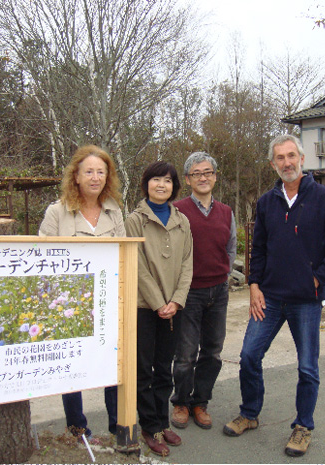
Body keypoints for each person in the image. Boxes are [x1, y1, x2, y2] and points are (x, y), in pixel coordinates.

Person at [223, 135, 325, 457]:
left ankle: (303, 426)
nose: (287, 162)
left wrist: (317, 278)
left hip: (306, 300)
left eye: (291, 155)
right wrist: (254, 285)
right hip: (269, 297)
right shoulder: (267, 202)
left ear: (302, 159)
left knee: (307, 366)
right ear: (273, 164)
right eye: (280, 158)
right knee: (249, 356)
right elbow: (259, 248)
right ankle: (249, 413)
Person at [39, 144, 124, 439]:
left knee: (112, 362)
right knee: (71, 366)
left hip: (107, 301)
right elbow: (42, 259)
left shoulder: (114, 212)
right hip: (68, 304)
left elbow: (124, 256)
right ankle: (77, 429)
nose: (95, 177)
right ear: (75, 176)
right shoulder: (57, 212)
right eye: (89, 171)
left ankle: (117, 426)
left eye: (101, 172)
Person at [125, 161, 193, 457]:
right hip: (144, 307)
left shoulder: (182, 220)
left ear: (174, 186)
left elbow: (188, 263)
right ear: (146, 184)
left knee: (165, 368)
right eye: (156, 179)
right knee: (144, 370)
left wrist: (176, 301)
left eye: (167, 180)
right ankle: (149, 427)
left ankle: (163, 422)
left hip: (174, 308)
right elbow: (136, 265)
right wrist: (158, 303)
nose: (161, 185)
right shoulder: (134, 220)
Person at [170, 152, 236, 430]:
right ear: (187, 180)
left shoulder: (226, 212)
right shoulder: (177, 210)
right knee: (186, 353)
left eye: (208, 172)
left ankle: (200, 402)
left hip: (218, 292)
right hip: (188, 293)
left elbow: (230, 248)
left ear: (215, 176)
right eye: (196, 173)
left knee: (212, 351)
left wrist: (224, 276)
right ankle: (181, 402)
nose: (203, 178)